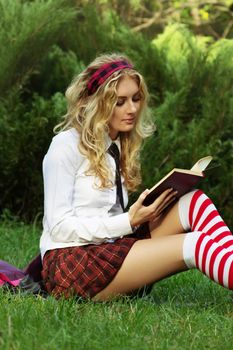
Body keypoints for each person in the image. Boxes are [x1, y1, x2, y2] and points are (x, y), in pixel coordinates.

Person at [40, 53, 233, 301]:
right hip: (71, 264)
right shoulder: (65, 146)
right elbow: (59, 228)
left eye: (135, 99)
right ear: (95, 102)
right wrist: (129, 221)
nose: (131, 109)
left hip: (109, 247)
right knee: (196, 245)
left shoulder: (117, 143)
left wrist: (143, 213)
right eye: (119, 101)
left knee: (194, 202)